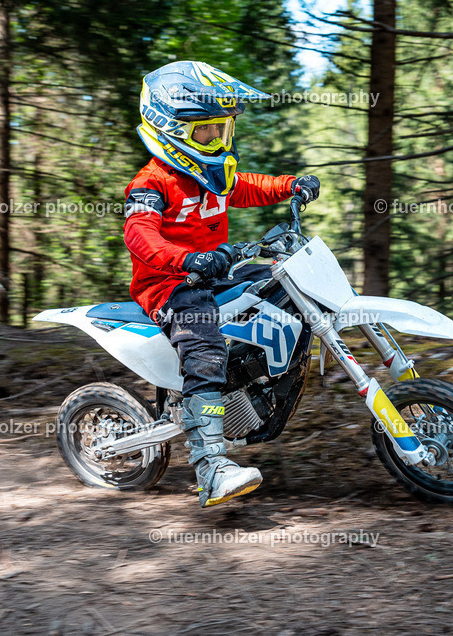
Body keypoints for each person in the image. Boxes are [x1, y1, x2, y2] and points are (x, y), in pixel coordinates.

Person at [123, 60, 320, 507]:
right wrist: (191, 258)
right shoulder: (151, 183)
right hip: (170, 284)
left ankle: (251, 385)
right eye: (207, 132)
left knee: (281, 284)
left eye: (223, 130)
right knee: (205, 347)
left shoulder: (209, 173)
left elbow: (245, 186)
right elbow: (140, 236)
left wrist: (291, 186)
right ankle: (212, 467)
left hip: (214, 271)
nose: (217, 140)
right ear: (171, 128)